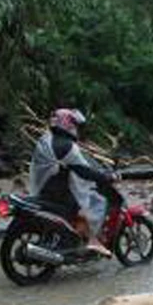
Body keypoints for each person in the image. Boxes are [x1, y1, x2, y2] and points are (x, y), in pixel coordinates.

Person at [28, 108, 118, 256]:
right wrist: (105, 177)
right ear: (67, 125)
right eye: (74, 125)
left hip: (45, 187)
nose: (76, 129)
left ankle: (74, 241)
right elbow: (83, 171)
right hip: (56, 191)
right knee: (85, 208)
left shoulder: (48, 139)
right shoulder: (67, 146)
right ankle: (91, 241)